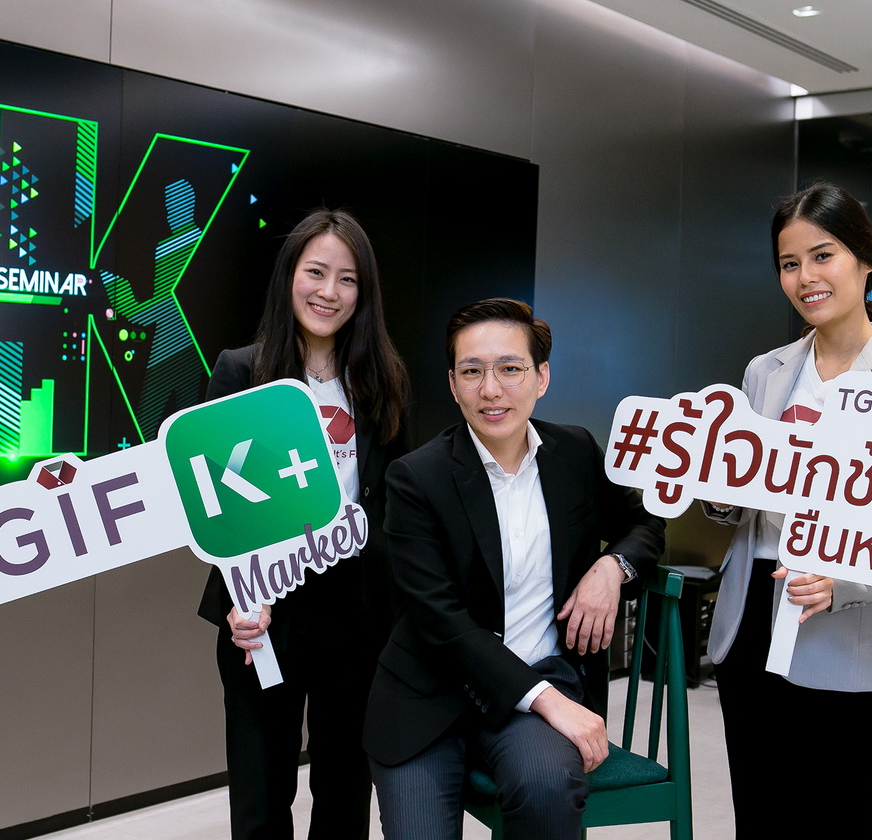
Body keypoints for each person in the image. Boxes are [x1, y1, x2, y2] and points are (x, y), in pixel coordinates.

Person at [363, 298, 665, 840]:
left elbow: (644, 523)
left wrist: (611, 568)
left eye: (510, 368)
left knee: (547, 786)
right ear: (453, 384)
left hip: (535, 685)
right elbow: (439, 620)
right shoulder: (416, 478)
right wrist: (550, 701)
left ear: (541, 377)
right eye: (471, 372)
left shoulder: (574, 452)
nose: (491, 389)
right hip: (429, 695)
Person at [704, 183, 872, 839]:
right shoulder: (765, 371)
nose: (805, 277)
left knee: (836, 821)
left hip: (847, 635)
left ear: (866, 259)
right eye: (790, 263)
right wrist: (720, 491)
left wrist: (844, 582)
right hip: (752, 621)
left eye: (823, 255)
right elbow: (742, 506)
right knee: (761, 819)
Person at [197, 208, 410, 840]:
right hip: (264, 613)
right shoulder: (241, 371)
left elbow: (395, 506)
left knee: (344, 794)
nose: (329, 292)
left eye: (347, 279)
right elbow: (212, 501)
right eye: (316, 272)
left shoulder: (384, 380)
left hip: (356, 616)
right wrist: (242, 594)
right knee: (261, 800)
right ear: (289, 275)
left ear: (364, 293)